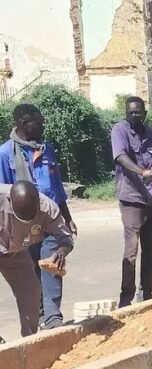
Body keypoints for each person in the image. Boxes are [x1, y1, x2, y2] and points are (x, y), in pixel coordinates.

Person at [0, 104, 76, 330]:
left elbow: (57, 187)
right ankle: (40, 316)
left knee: (50, 264)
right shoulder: (4, 154)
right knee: (31, 272)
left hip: (46, 217)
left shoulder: (47, 149)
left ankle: (52, 318)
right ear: (24, 125)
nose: (43, 126)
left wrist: (67, 217)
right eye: (39, 123)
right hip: (16, 224)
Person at [111, 96, 152, 308]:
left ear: (144, 113)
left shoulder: (150, 133)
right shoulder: (120, 130)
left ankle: (147, 294)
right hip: (131, 198)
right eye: (131, 112)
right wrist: (143, 172)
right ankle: (126, 298)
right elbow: (121, 158)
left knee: (150, 248)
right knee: (131, 250)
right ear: (126, 113)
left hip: (150, 199)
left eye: (138, 112)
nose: (135, 115)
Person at [0, 181, 73, 338]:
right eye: (21, 216)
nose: (26, 221)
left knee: (31, 293)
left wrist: (62, 251)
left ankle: (29, 342)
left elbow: (66, 239)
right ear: (10, 201)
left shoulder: (47, 208)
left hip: (16, 253)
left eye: (31, 216)